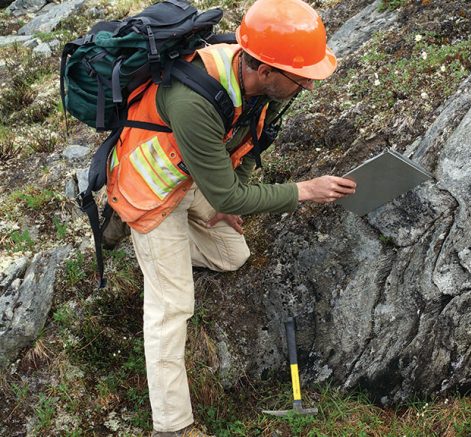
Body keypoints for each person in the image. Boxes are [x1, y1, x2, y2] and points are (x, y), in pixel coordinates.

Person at [104, 0, 355, 435]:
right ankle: (172, 425)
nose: (309, 86)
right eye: (301, 78)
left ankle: (158, 253)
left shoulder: (259, 86)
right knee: (172, 306)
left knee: (232, 255)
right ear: (266, 70)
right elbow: (227, 194)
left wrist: (230, 198)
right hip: (149, 191)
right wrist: (303, 191)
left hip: (190, 178)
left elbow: (248, 149)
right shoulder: (193, 101)